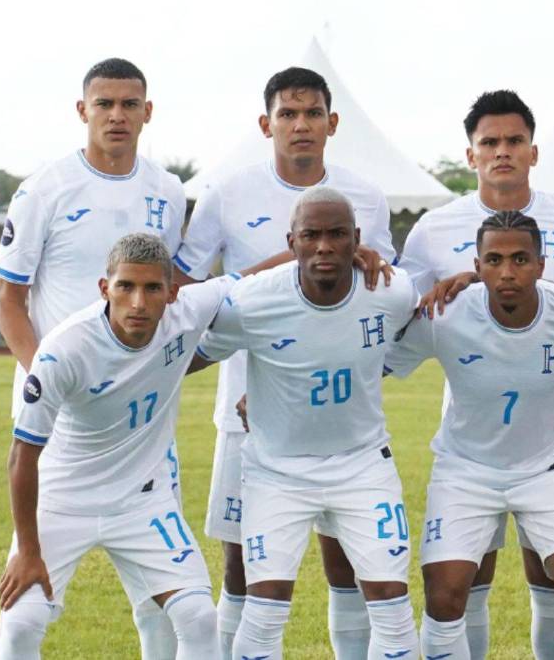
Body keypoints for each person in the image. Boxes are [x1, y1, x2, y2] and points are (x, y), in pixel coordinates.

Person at [169, 66, 395, 659]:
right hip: (247, 406)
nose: (301, 125)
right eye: (288, 115)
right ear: (266, 123)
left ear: (332, 123)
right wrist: (284, 263)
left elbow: (382, 287)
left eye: (313, 113)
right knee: (244, 559)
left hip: (338, 411)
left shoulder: (366, 196)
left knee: (348, 556)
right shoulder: (227, 192)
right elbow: (189, 293)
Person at [398, 89, 554, 659]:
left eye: (514, 141)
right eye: (489, 143)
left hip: (547, 444)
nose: (503, 152)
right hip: (470, 442)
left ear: (533, 150)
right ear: (471, 155)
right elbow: (394, 311)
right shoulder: (433, 227)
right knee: (462, 583)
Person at [0, 57, 187, 658]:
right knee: (26, 601)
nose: (117, 115)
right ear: (83, 111)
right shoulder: (44, 189)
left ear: (147, 112)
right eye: (104, 104)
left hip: (143, 420)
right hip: (60, 418)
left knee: (164, 598)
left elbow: (169, 293)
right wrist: (50, 381)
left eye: (130, 104)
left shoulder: (169, 192)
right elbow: (9, 301)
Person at [194, 187, 419, 659]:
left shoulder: (391, 292)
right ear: (291, 240)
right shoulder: (253, 300)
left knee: (394, 611)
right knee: (263, 616)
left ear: (357, 240)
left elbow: (401, 343)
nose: (323, 246)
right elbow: (190, 355)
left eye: (337, 234)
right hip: (278, 473)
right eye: (311, 235)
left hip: (363, 467)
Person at [0, 234, 238, 659]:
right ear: (105, 288)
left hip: (141, 501)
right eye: (125, 286)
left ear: (173, 293)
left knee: (199, 616)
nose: (139, 302)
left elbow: (255, 280)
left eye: (152, 288)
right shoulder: (63, 351)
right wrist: (28, 551)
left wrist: (321, 255)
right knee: (21, 623)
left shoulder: (189, 310)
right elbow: (22, 457)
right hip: (62, 500)